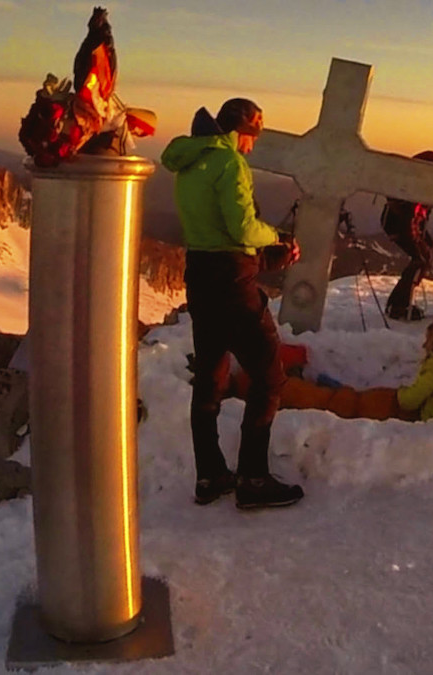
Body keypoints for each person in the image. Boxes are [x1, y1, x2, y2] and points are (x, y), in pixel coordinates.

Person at [161, 98, 305, 509]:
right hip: (233, 285)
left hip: (200, 276)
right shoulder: (229, 162)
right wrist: (276, 237)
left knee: (210, 376)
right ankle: (253, 478)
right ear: (241, 132)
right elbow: (241, 227)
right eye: (252, 137)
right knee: (269, 377)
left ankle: (210, 475)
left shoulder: (189, 161)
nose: (252, 146)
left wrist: (262, 253)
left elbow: (216, 232)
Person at [383, 150, 433, 321]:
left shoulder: (415, 183)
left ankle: (398, 303)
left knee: (422, 260)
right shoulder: (414, 188)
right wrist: (415, 238)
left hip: (399, 226)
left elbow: (418, 215)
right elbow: (409, 217)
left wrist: (422, 234)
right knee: (419, 260)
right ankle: (400, 306)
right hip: (400, 227)